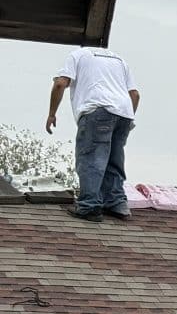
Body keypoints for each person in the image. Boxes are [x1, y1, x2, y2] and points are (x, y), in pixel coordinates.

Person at [46, 47, 140, 222]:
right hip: (124, 113)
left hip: (98, 109)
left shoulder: (77, 55)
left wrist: (52, 113)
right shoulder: (118, 59)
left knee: (91, 158)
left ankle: (89, 206)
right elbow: (134, 95)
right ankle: (116, 203)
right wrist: (125, 120)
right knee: (114, 159)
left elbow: (60, 83)